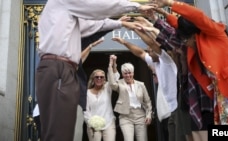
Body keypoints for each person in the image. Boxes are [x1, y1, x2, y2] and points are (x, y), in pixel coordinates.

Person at [35, 0, 156, 140]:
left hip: (63, 69)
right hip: (59, 68)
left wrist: (121, 23)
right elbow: (95, 7)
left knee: (62, 131)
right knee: (58, 132)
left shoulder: (64, 12)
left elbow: (92, 25)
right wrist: (137, 6)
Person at [154, 0, 228, 140]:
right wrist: (163, 15)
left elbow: (196, 16)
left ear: (193, 35)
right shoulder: (195, 42)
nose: (185, 43)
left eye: (186, 39)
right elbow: (180, 26)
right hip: (221, 95)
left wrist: (169, 3)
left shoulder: (215, 33)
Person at [112, 25, 178, 141]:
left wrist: (134, 29)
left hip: (173, 112)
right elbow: (140, 53)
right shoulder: (156, 64)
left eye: (150, 51)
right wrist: (124, 42)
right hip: (166, 115)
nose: (148, 52)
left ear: (157, 51)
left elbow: (153, 44)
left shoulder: (166, 61)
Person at [108, 61, 152, 141]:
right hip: (125, 117)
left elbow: (147, 101)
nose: (128, 75)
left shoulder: (141, 85)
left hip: (140, 116)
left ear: (133, 73)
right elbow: (112, 84)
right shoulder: (119, 83)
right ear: (122, 74)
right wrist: (111, 65)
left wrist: (148, 115)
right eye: (125, 73)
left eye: (129, 73)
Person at [83, 54, 119, 141]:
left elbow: (114, 78)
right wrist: (90, 123)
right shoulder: (87, 93)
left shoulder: (107, 88)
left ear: (104, 79)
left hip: (109, 122)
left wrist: (112, 64)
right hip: (93, 125)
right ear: (93, 79)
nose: (99, 78)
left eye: (101, 77)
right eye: (97, 77)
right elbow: (86, 110)